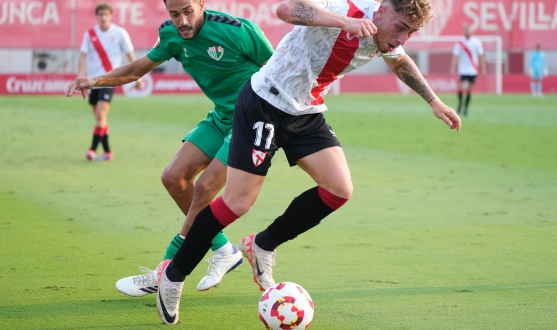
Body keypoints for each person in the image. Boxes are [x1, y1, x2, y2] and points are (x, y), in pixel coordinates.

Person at [155, 0, 461, 325]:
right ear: (382, 11)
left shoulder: (387, 36)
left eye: (411, 33)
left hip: (305, 111)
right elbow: (286, 10)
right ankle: (173, 277)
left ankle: (263, 244)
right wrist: (343, 22)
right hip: (264, 102)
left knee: (339, 189)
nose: (403, 38)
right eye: (401, 28)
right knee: (238, 202)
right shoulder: (348, 9)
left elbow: (398, 60)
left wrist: (434, 101)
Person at [66, 0, 274, 297]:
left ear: (202, 4)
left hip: (252, 122)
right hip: (221, 117)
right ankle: (224, 250)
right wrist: (97, 79)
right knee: (173, 177)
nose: (182, 19)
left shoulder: (238, 31)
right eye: (174, 13)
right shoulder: (171, 34)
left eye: (188, 10)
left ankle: (167, 268)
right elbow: (137, 69)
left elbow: (278, 70)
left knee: (204, 188)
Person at [78, 2, 141, 161]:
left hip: (109, 80)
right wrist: (80, 75)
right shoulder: (90, 33)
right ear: (97, 16)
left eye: (106, 14)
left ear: (110, 16)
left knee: (100, 115)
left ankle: (92, 150)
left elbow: (130, 55)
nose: (104, 17)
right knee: (101, 120)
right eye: (101, 14)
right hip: (92, 81)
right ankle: (107, 152)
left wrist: (137, 77)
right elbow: (83, 56)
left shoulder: (120, 33)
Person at [450, 23, 486, 116]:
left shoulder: (477, 42)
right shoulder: (460, 43)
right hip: (462, 69)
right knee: (461, 88)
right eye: (466, 30)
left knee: (469, 90)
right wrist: (453, 68)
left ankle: (465, 108)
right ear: (464, 31)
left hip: (473, 70)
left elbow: (481, 56)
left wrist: (483, 68)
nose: (468, 31)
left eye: (469, 30)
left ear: (472, 31)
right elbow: (455, 56)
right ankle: (460, 103)